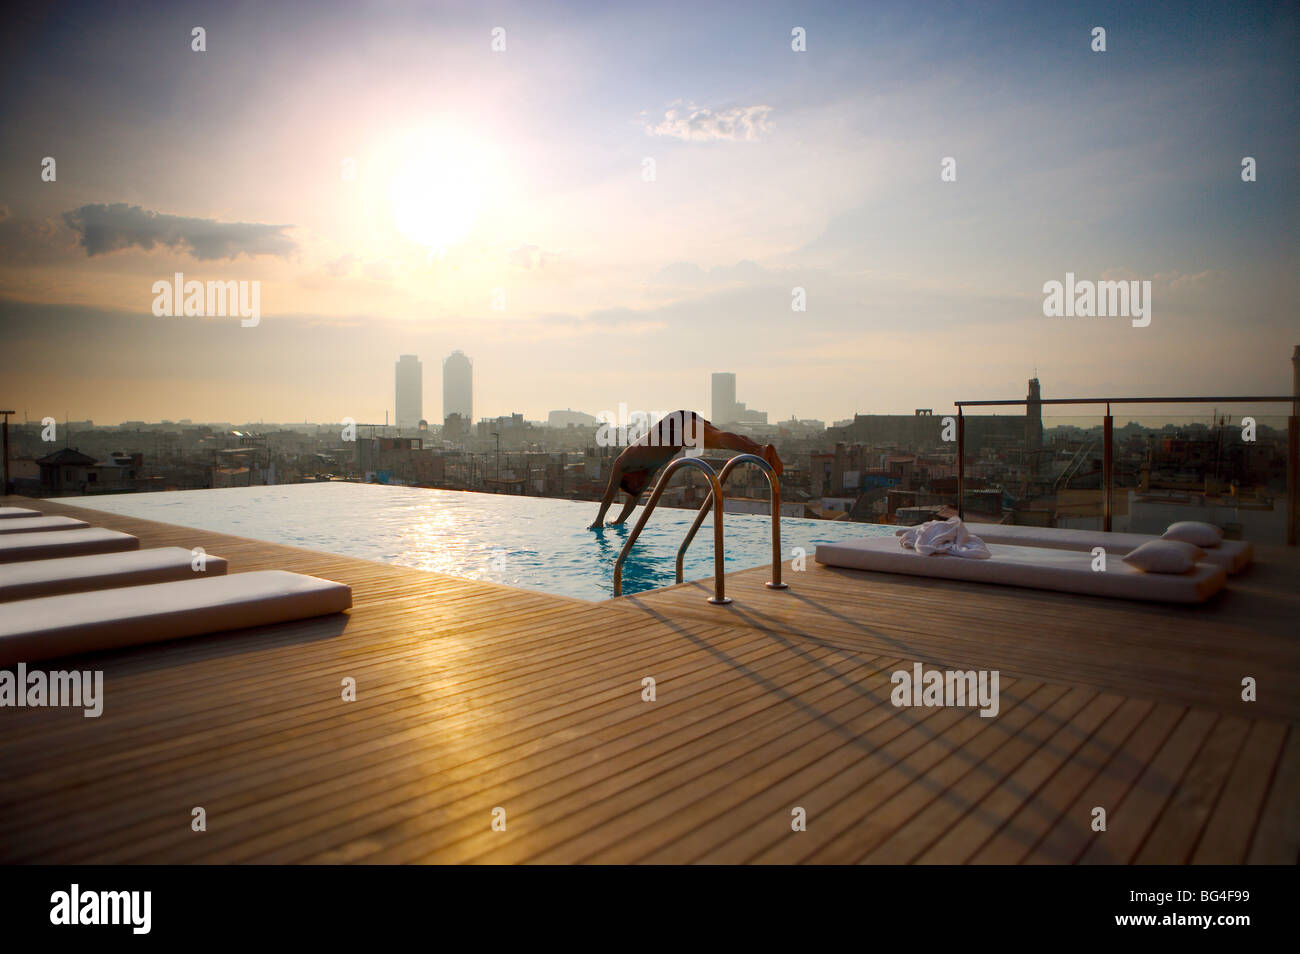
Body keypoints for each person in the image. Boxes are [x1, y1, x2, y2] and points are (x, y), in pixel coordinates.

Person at [588, 410, 782, 528]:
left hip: (672, 428)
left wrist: (599, 519)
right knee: (719, 439)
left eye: (633, 486)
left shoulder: (623, 464)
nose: (638, 487)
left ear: (628, 478)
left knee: (717, 439)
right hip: (676, 428)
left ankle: (760, 450)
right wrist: (619, 521)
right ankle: (759, 448)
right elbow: (632, 501)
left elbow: (609, 493)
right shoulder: (646, 473)